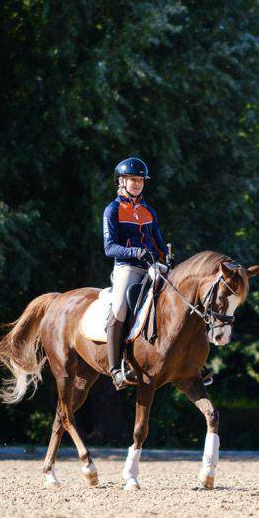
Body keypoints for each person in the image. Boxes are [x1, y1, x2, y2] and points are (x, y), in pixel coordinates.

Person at [102, 157, 167, 389]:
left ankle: (190, 360)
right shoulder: (112, 209)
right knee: (119, 308)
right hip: (127, 267)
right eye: (133, 179)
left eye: (140, 180)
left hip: (151, 266)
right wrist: (135, 251)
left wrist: (164, 255)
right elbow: (109, 247)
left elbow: (158, 242)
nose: (137, 184)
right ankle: (115, 369)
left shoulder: (149, 211)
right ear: (121, 181)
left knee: (182, 295)